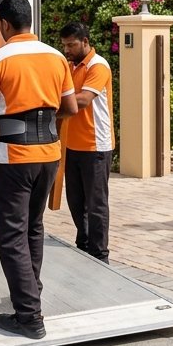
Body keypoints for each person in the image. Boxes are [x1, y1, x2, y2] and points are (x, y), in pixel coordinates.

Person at [0, 0, 77, 339]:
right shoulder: (57, 56)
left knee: (11, 234)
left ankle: (30, 316)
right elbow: (71, 108)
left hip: (15, 156)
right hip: (49, 153)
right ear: (29, 20)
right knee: (34, 226)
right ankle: (32, 293)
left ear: (4, 24)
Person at [59, 21, 114, 263]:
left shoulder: (98, 65)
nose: (67, 50)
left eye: (71, 45)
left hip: (96, 146)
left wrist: (47, 109)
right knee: (75, 201)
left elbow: (81, 101)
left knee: (96, 204)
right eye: (64, 45)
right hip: (72, 145)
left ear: (85, 42)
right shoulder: (70, 66)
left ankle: (100, 255)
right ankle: (83, 246)